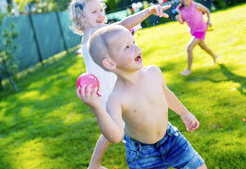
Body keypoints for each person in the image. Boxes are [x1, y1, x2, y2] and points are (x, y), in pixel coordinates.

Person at [77, 25, 206, 169]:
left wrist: (184, 113)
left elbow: (167, 94)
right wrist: (97, 107)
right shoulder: (116, 98)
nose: (137, 48)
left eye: (133, 42)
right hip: (142, 153)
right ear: (110, 63)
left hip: (170, 138)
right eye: (127, 47)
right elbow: (116, 136)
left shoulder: (153, 72)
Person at [68, 0, 170, 169]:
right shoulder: (94, 33)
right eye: (94, 12)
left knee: (117, 128)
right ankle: (147, 152)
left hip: (113, 89)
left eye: (101, 10)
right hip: (109, 94)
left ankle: (95, 165)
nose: (100, 15)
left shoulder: (92, 35)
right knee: (122, 128)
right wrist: (147, 12)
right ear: (81, 18)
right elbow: (122, 25)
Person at [175, 0, 217, 76]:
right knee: (202, 46)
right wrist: (179, 20)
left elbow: (207, 11)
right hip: (193, 31)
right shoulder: (180, 9)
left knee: (189, 48)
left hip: (201, 29)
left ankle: (188, 69)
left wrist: (208, 21)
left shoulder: (196, 6)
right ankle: (214, 56)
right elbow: (182, 22)